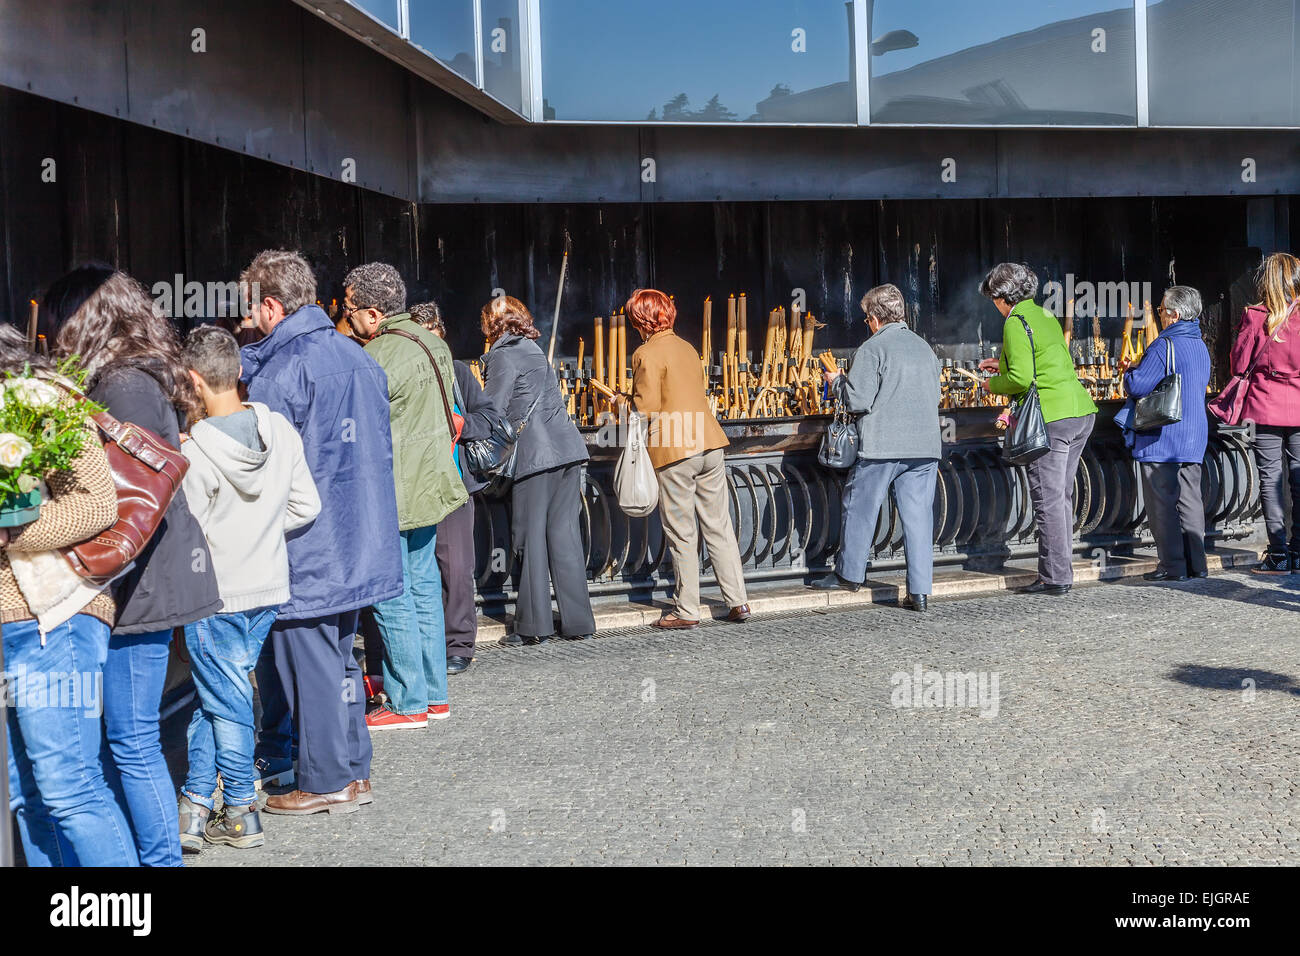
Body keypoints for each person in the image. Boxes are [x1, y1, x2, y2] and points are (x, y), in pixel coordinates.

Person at [49, 266, 222, 868]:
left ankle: (158, 864)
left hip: (139, 583)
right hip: (147, 577)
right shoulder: (141, 375)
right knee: (129, 737)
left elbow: (135, 501)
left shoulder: (122, 383)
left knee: (131, 738)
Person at [239, 249, 403, 814]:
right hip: (359, 537)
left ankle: (326, 780)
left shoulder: (281, 371)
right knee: (339, 660)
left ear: (270, 305)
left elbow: (258, 466)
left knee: (308, 663)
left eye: (251, 307)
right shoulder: (360, 358)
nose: (248, 319)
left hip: (308, 545)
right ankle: (352, 773)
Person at [177, 326, 321, 849]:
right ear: (239, 371)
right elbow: (307, 506)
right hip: (267, 586)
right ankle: (194, 808)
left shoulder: (192, 452)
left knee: (226, 699)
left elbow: (189, 529)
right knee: (219, 695)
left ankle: (239, 809)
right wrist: (260, 530)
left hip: (214, 593)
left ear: (193, 380)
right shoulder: (279, 428)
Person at [0, 325, 139, 867]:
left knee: (70, 789)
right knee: (25, 795)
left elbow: (97, 505)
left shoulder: (43, 402)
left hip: (52, 616)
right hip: (9, 628)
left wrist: (13, 532)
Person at [342, 265, 465, 729]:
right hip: (431, 485)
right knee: (423, 588)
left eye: (350, 308)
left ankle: (407, 702)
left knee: (393, 595)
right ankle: (434, 695)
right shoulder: (431, 340)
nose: (346, 316)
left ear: (373, 314)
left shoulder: (380, 354)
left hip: (394, 491)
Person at [625, 289, 751, 628]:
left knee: (681, 530)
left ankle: (686, 610)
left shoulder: (645, 354)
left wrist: (623, 404)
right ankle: (738, 601)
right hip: (708, 441)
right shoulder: (687, 347)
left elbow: (645, 408)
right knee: (718, 524)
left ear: (641, 321)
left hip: (675, 447)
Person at [811, 284, 941, 611]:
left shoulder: (872, 349)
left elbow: (857, 399)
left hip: (883, 445)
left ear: (873, 318)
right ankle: (920, 592)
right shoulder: (925, 348)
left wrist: (836, 381)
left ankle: (849, 576)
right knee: (918, 518)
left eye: (866, 318)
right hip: (925, 446)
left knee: (860, 508)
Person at [480, 295, 595, 645]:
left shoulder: (503, 354)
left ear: (496, 324)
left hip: (534, 457)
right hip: (566, 451)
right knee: (564, 537)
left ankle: (533, 628)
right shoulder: (532, 349)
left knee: (529, 537)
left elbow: (492, 408)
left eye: (484, 321)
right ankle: (578, 623)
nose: (482, 327)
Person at [978, 262, 1098, 597]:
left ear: (1004, 296)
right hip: (1079, 412)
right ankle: (1060, 570)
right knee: (1061, 497)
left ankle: (1055, 577)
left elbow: (1020, 379)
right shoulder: (1044, 315)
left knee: (1047, 499)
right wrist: (1001, 361)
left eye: (994, 299)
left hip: (1051, 419)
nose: (995, 306)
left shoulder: (1015, 322)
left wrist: (992, 383)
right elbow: (1046, 359)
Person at [413, 300, 491, 675]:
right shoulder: (404, 372)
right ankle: (424, 642)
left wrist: (459, 426)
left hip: (454, 481)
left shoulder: (459, 372)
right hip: (412, 483)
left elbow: (489, 418)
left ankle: (458, 644)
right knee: (418, 569)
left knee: (456, 567)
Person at [1120, 287, 1212, 582]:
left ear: (1173, 315)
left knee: (1162, 504)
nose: (1159, 314)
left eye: (1161, 310)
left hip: (1164, 437)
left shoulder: (1164, 345)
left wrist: (1129, 372)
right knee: (1190, 502)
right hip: (1194, 434)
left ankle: (1172, 566)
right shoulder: (1200, 344)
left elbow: (1139, 386)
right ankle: (1197, 565)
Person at [1228, 252, 1300, 573]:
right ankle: (1299, 552)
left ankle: (1279, 553)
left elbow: (1238, 365)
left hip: (1265, 407)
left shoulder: (1255, 317)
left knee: (1270, 480)